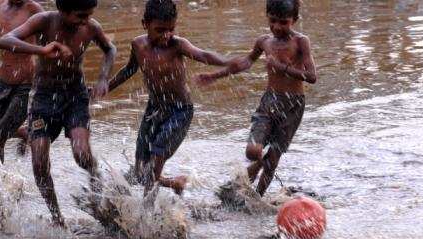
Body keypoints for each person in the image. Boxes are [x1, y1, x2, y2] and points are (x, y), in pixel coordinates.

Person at [0, 0, 116, 227]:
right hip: (44, 97)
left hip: (75, 96)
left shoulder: (91, 27)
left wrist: (103, 77)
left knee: (81, 153)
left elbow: (110, 49)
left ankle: (95, 179)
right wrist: (41, 49)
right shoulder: (44, 21)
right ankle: (57, 217)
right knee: (39, 162)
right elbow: (5, 40)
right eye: (79, 16)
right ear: (62, 11)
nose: (84, 21)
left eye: (88, 15)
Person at [109, 0, 230, 200]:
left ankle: (148, 215)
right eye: (160, 30)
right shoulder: (138, 45)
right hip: (154, 109)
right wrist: (106, 87)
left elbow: (202, 54)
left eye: (171, 29)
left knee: (155, 162)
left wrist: (229, 62)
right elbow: (129, 70)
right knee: (141, 171)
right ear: (144, 24)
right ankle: (174, 183)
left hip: (180, 110)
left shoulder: (178, 45)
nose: (166, 35)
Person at [195, 0, 317, 197]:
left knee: (274, 159)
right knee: (252, 151)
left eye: (284, 22)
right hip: (269, 101)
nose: (277, 27)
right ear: (267, 16)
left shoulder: (301, 42)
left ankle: (257, 197)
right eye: (273, 21)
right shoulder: (264, 41)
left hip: (293, 105)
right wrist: (215, 75)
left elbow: (312, 76)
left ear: (294, 20)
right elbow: (245, 62)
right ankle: (254, 171)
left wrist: (282, 68)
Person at [0, 0, 43, 162]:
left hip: (26, 84)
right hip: (3, 81)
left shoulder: (34, 9)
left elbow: (46, 43)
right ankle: (24, 132)